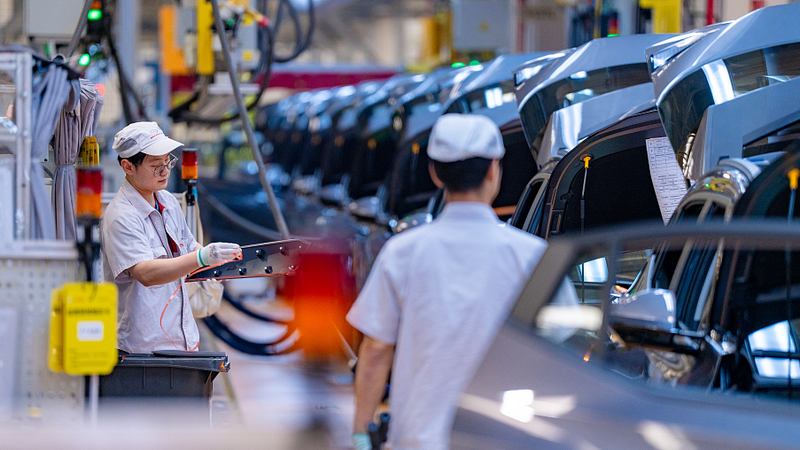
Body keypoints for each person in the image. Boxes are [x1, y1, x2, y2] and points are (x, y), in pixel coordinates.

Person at [348, 114, 548, 450]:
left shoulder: (403, 252)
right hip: (507, 437)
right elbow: (562, 345)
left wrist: (360, 437)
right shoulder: (532, 255)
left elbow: (377, 350)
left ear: (435, 174)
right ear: (492, 170)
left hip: (419, 437)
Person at [101, 122, 240, 353]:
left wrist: (220, 261)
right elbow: (145, 272)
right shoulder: (121, 216)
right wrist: (203, 257)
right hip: (142, 349)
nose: (166, 171)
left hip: (181, 341)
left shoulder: (167, 202)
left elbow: (187, 247)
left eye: (168, 162)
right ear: (128, 166)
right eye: (156, 166)